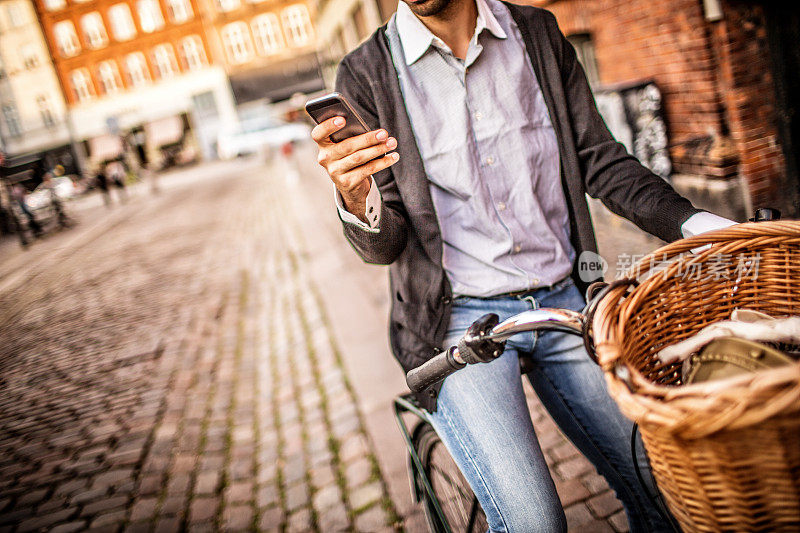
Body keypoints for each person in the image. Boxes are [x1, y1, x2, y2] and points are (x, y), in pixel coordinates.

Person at [311, 0, 736, 531]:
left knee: (668, 489)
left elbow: (598, 159)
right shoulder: (365, 71)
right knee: (535, 522)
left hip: (566, 301)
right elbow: (385, 245)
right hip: (457, 323)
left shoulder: (537, 32)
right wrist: (356, 199)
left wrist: (693, 224)